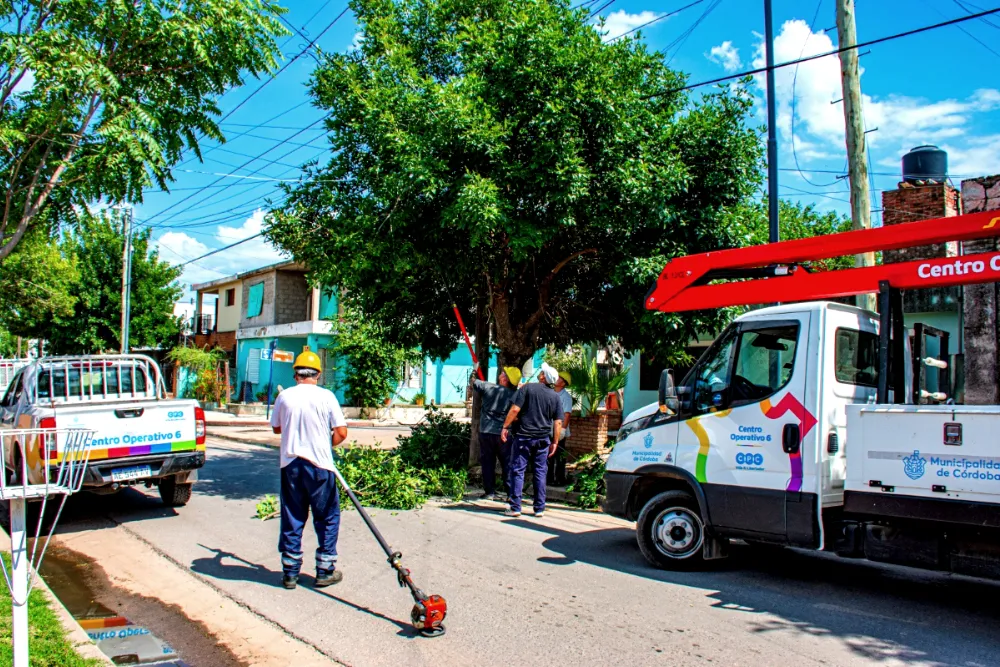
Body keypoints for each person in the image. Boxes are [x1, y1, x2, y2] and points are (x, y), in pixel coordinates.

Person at [269, 348, 348, 590]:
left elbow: (276, 428)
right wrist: (325, 446)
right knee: (327, 517)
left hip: (291, 466)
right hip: (320, 467)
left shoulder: (285, 397)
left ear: (296, 374)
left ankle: (290, 573)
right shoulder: (327, 397)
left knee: (293, 516)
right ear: (318, 375)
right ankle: (324, 570)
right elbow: (342, 432)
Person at [500, 363, 562, 518]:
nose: (540, 373)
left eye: (542, 372)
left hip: (523, 437)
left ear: (543, 377)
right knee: (540, 472)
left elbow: (515, 409)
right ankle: (539, 508)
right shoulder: (555, 396)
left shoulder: (528, 388)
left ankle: (515, 507)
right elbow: (558, 422)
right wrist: (555, 442)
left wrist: (505, 427)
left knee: (518, 470)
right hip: (543, 439)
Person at [470, 364, 521, 501]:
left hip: (486, 432)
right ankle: (510, 493)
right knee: (507, 463)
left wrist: (475, 370)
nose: (501, 373)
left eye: (503, 373)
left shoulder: (488, 387)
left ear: (505, 379)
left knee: (487, 462)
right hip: (504, 434)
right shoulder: (515, 395)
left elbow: (473, 382)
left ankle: (489, 492)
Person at [547, 370, 573, 487]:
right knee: (549, 455)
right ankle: (549, 478)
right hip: (549, 428)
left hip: (559, 430)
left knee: (559, 456)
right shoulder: (551, 393)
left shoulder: (566, 397)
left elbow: (567, 414)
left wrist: (562, 430)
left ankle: (559, 478)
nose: (557, 379)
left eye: (560, 378)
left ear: (563, 383)